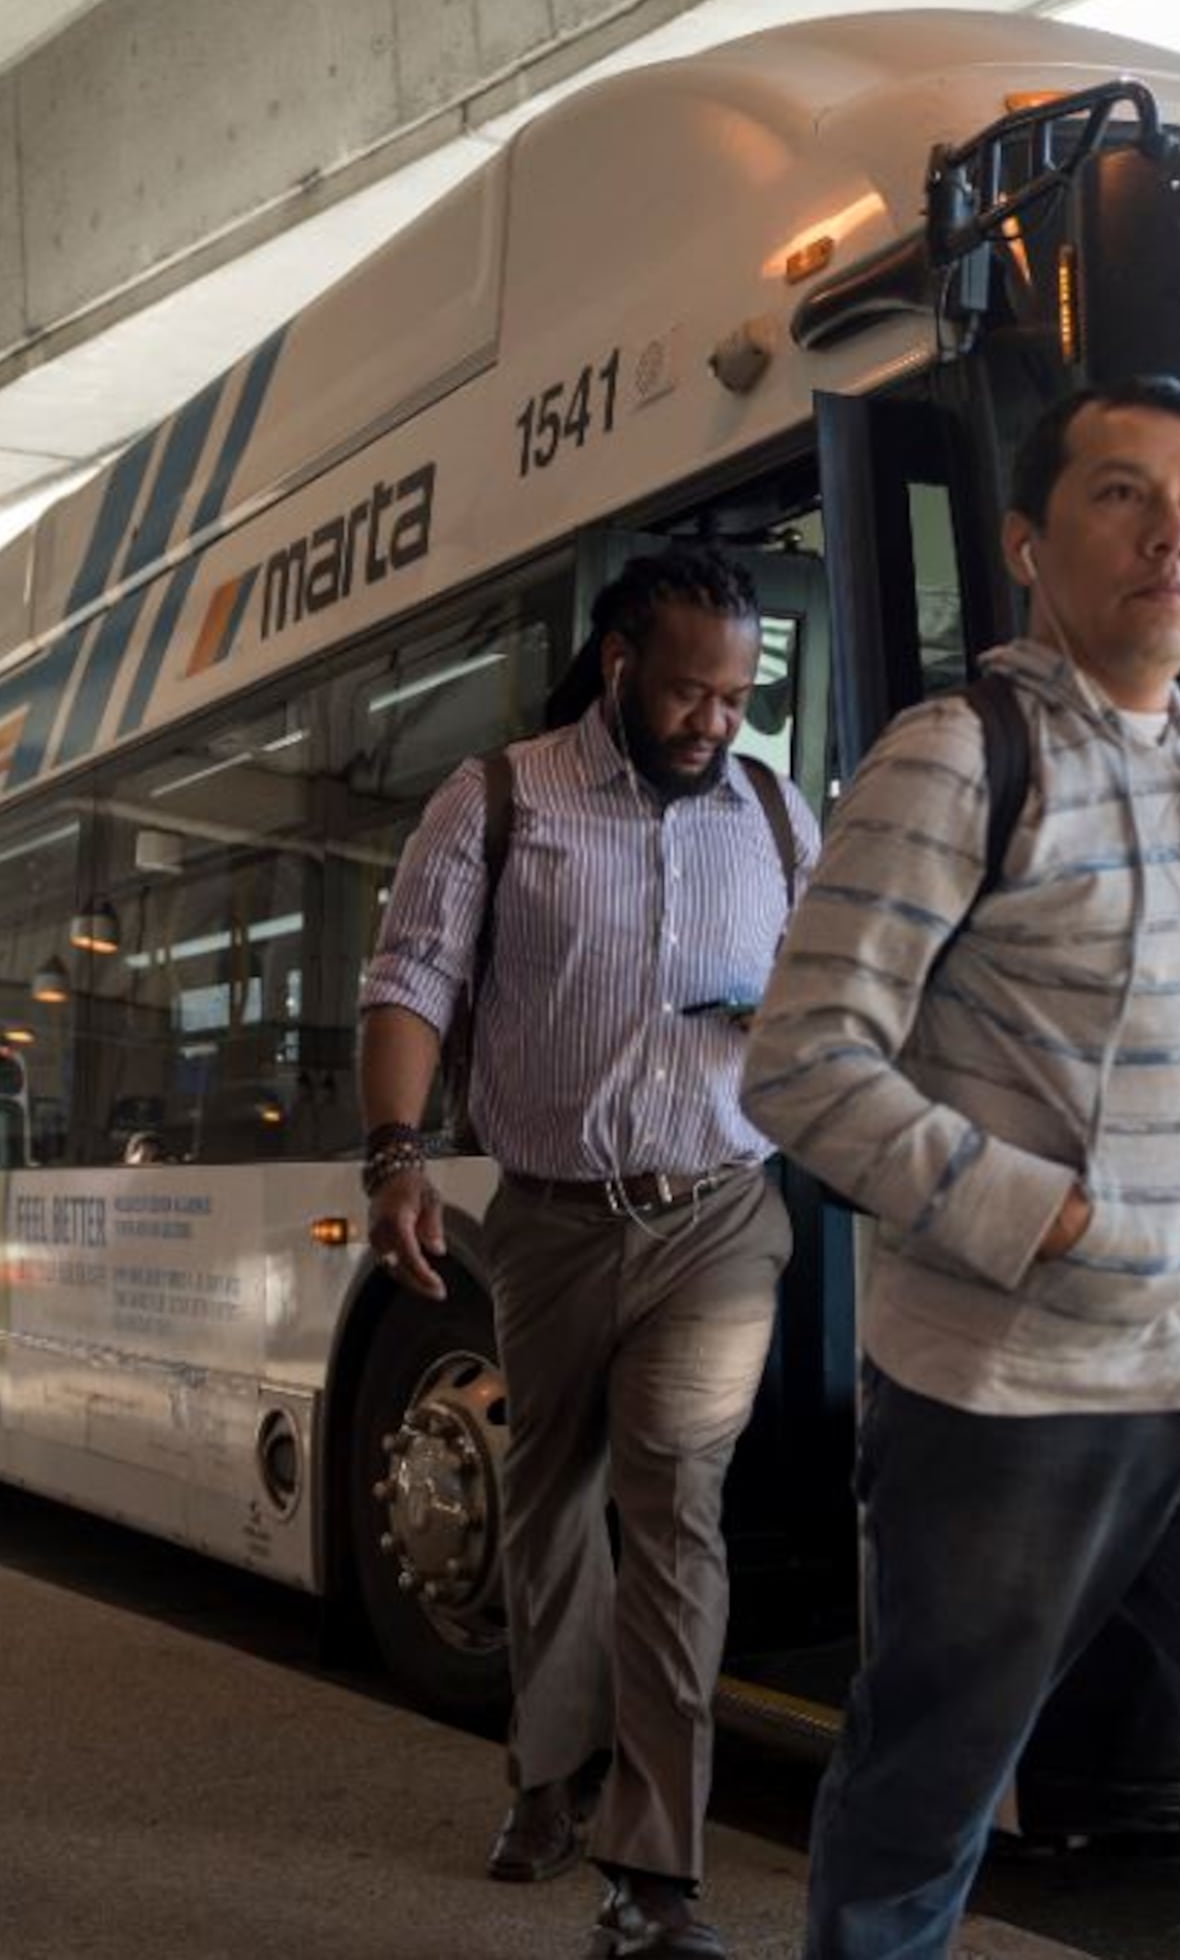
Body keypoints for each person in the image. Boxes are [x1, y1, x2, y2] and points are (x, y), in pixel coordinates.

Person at [744, 378, 1180, 1959]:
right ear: (1026, 542)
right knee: (924, 1802)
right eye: (1123, 497)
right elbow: (798, 1061)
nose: (1175, 535)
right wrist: (1030, 1211)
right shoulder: (957, 755)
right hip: (1012, 1398)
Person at [357, 549, 817, 1960]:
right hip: (553, 1216)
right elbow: (409, 981)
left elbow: (844, 990)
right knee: (551, 1506)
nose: (712, 720)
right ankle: (551, 1780)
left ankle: (655, 1871)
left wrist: (792, 1026)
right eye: (688, 690)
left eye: (737, 695)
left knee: (675, 1509)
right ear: (620, 663)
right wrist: (396, 1154)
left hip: (721, 1211)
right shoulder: (498, 800)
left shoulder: (782, 816)